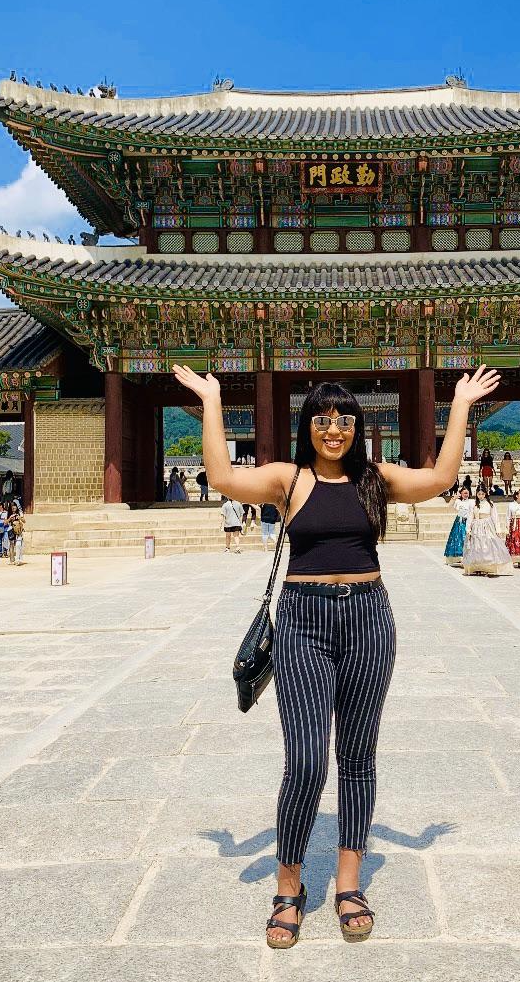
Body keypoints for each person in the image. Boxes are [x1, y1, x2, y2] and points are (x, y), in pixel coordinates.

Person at [172, 360, 499, 949]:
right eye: (322, 419)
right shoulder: (287, 481)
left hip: (369, 618)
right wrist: (213, 398)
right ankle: (289, 883)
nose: (334, 429)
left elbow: (444, 475)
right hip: (302, 620)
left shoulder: (377, 478)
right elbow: (220, 476)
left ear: (356, 426)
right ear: (307, 427)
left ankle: (349, 879)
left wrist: (459, 405)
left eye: (344, 418)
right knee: (304, 760)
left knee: (357, 753)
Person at [462, 485, 513, 576]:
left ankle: (487, 566)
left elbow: (495, 517)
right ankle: (477, 566)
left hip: (487, 526)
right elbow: (470, 517)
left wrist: (498, 529)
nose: (480, 496)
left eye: (482, 494)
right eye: (479, 494)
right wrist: (468, 528)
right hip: (476, 526)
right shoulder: (473, 504)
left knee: (488, 545)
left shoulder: (490, 504)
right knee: (477, 546)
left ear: (485, 494)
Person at [443, 486, 473, 566]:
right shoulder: (458, 502)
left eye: (467, 493)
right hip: (459, 522)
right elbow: (449, 506)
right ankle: (458, 557)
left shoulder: (471, 502)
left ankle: (468, 557)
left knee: (467, 539)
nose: (466, 495)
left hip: (468, 521)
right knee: (458, 539)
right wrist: (454, 498)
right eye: (464, 493)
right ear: (461, 494)